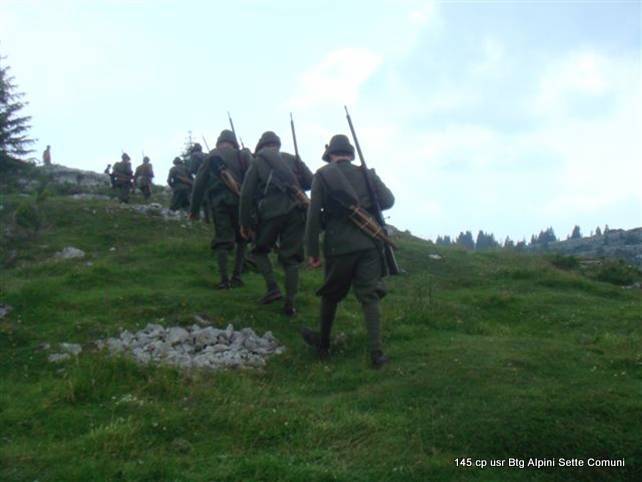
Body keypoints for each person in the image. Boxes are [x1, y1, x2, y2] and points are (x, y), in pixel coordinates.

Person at [301, 134, 395, 368]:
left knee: (331, 295)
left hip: (338, 246)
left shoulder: (323, 175)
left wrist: (312, 251)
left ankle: (323, 345)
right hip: (369, 243)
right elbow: (388, 201)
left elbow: (313, 216)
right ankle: (376, 354)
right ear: (350, 154)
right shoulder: (366, 173)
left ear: (331, 155)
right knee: (369, 297)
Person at [239, 131, 313, 316]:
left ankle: (272, 289)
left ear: (261, 147)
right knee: (291, 259)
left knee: (259, 251)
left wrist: (244, 223)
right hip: (296, 211)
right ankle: (290, 304)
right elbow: (311, 182)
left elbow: (246, 194)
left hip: (270, 213)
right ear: (277, 145)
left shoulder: (257, 162)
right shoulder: (292, 159)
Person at [190, 130, 252, 289]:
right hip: (240, 200)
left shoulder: (212, 155)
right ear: (234, 142)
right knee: (242, 237)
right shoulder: (242, 155)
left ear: (219, 142)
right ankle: (237, 277)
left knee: (222, 240)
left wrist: (194, 210)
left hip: (219, 202)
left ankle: (224, 281)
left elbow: (199, 183)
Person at [187, 143, 210, 222]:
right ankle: (208, 217)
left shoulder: (194, 155)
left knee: (197, 197)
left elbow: (192, 169)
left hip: (200, 176)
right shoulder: (206, 155)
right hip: (210, 178)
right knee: (208, 197)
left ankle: (195, 216)